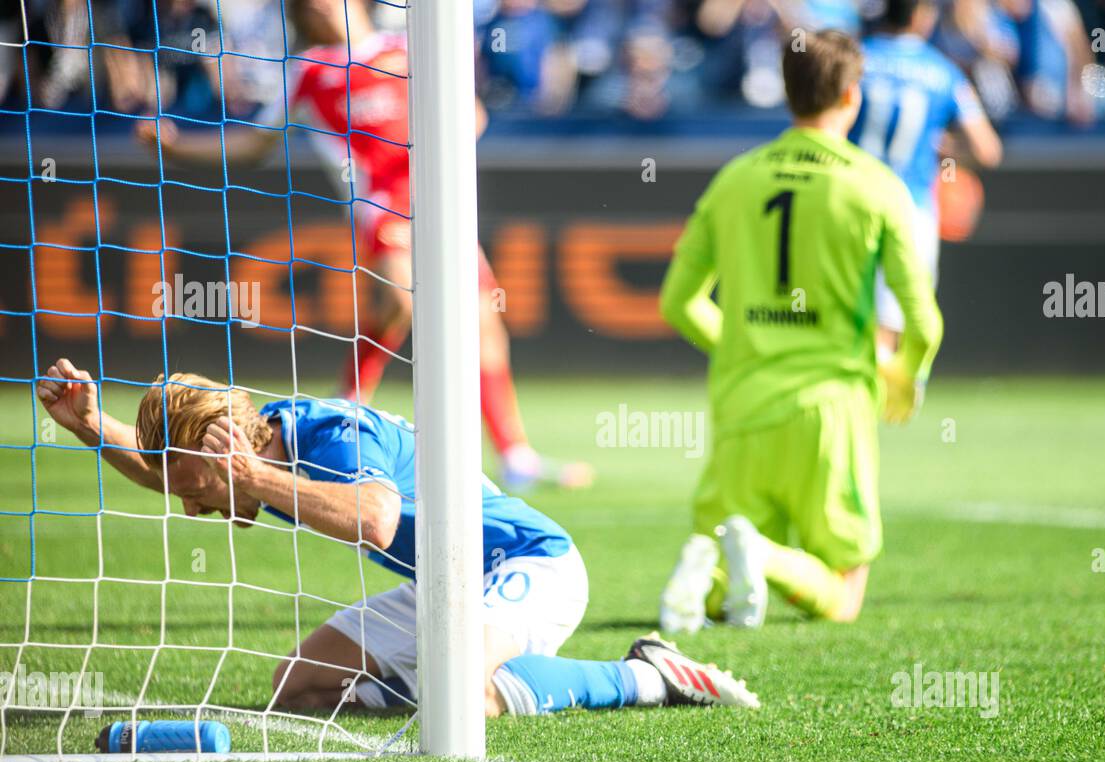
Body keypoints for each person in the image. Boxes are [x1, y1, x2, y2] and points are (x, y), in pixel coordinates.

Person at [37, 357, 759, 716]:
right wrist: (90, 425)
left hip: (528, 563)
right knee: (300, 684)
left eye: (201, 490)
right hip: (440, 580)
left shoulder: (330, 438)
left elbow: (375, 517)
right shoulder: (249, 458)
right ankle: (441, 676)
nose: (193, 510)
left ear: (231, 456)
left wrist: (250, 481)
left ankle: (646, 675)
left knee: (459, 702)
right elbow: (182, 475)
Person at [135, 0, 590, 492]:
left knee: (484, 323)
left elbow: (472, 116)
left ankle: (515, 456)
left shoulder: (409, 50)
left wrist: (441, 138)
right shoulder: (308, 71)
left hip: (442, 202)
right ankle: (348, 402)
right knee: (400, 298)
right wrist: (174, 147)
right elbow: (254, 145)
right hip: (382, 206)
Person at [657, 28, 942, 634]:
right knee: (843, 591)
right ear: (852, 96)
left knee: (720, 569)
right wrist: (902, 377)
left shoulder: (736, 177)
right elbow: (923, 321)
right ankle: (760, 556)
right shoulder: (876, 185)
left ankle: (706, 576)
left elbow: (679, 302)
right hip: (830, 414)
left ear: (786, 92)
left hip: (743, 408)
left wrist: (743, 345)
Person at [851, 0, 1002, 363]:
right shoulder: (942, 72)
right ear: (922, 15)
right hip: (909, 208)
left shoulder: (854, 61)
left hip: (849, 202)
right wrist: (943, 150)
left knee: (846, 316)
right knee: (892, 326)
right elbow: (987, 150)